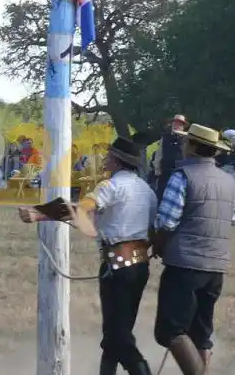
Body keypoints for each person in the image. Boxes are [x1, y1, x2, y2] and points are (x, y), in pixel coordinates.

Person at [18, 137, 158, 375]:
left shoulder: (109, 186)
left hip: (117, 267)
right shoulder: (147, 191)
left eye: (109, 155)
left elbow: (81, 209)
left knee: (118, 337)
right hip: (139, 265)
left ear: (117, 160)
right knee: (116, 334)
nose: (106, 159)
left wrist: (38, 214)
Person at [150, 123, 235, 375]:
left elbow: (166, 221)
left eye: (187, 142)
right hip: (216, 266)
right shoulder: (228, 181)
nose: (184, 146)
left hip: (185, 264)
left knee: (170, 330)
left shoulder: (182, 176)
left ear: (194, 147)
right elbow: (234, 216)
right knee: (201, 332)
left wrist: (157, 243)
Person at [154, 114, 189, 201]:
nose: (176, 125)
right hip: (165, 173)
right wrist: (157, 170)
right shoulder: (165, 137)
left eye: (180, 124)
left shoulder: (187, 139)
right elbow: (159, 154)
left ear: (183, 126)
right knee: (161, 197)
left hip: (181, 174)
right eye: (175, 123)